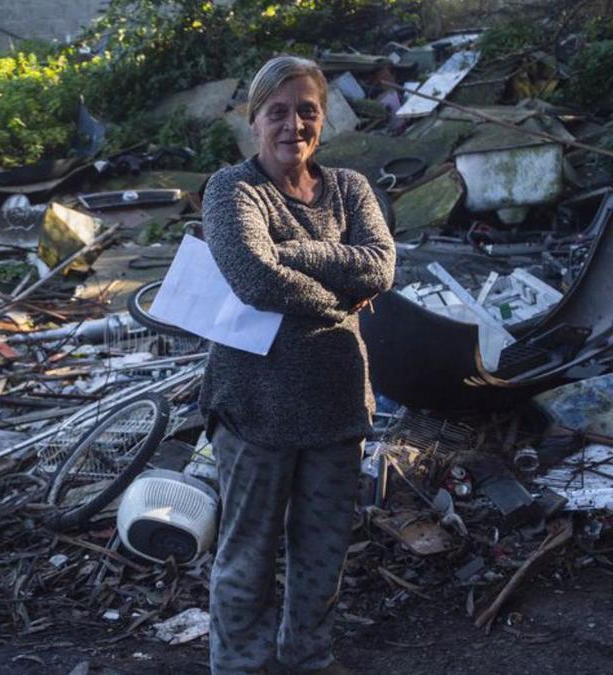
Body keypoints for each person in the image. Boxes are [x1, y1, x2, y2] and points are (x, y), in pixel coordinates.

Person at [200, 56, 396, 674]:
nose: (294, 124)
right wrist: (338, 295)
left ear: (324, 116)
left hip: (337, 400)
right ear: (254, 119)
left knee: (322, 553)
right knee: (248, 554)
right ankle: (241, 667)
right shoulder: (232, 189)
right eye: (278, 112)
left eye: (307, 109)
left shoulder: (350, 190)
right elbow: (255, 278)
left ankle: (309, 659)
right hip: (255, 402)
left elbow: (380, 267)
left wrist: (295, 254)